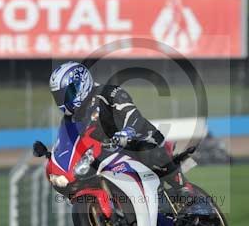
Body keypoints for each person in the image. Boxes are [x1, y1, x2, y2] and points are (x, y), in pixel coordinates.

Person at [48, 61, 184, 186]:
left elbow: (134, 115)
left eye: (67, 95)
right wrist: (54, 155)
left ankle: (182, 189)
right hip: (108, 154)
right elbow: (67, 141)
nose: (63, 101)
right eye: (59, 97)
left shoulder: (109, 93)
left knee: (147, 151)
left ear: (81, 82)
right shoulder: (71, 119)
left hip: (139, 138)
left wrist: (127, 132)